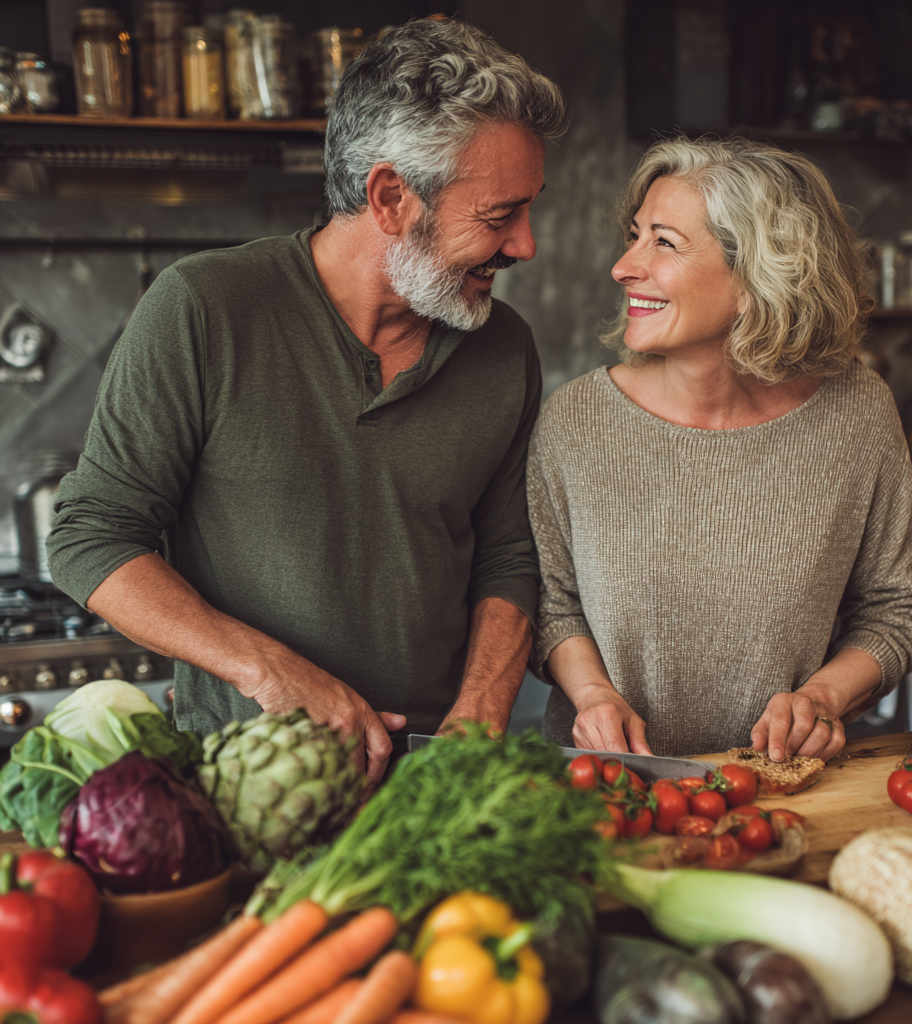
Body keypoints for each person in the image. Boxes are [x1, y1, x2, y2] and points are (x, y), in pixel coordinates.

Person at [47, 18, 569, 785]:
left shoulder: (502, 346)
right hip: (244, 779)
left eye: (527, 210)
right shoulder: (203, 307)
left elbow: (509, 555)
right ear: (390, 197)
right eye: (498, 217)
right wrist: (269, 671)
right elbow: (90, 538)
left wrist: (481, 714)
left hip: (431, 783)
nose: (525, 245)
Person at [527, 136, 912, 763]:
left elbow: (895, 604)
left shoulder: (858, 412)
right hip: (609, 791)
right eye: (635, 235)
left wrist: (824, 696)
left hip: (783, 785)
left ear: (757, 276)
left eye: (663, 241)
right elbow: (553, 603)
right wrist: (592, 697)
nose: (623, 265)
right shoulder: (575, 422)